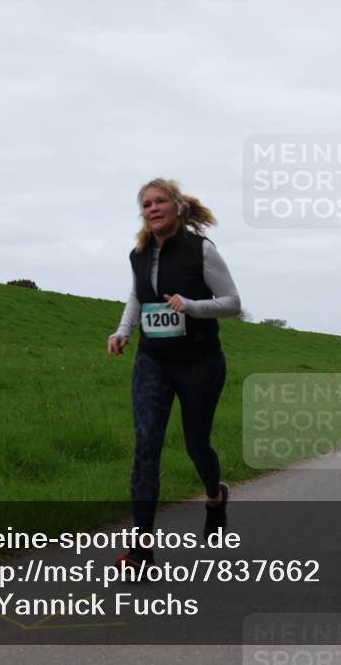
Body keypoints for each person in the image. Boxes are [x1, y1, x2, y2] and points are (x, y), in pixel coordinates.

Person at [108, 178, 241, 569]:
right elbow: (138, 296)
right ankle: (141, 552)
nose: (152, 208)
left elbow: (232, 303)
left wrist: (191, 306)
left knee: (196, 443)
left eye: (160, 201)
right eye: (146, 204)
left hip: (200, 362)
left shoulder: (201, 250)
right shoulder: (139, 254)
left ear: (178, 207)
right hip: (154, 361)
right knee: (146, 445)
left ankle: (215, 498)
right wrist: (122, 332)